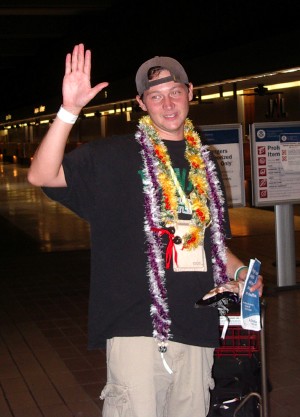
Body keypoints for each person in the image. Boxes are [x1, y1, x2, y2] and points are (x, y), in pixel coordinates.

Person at [27, 43, 263, 417]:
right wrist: (69, 110)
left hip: (197, 323)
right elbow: (42, 174)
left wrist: (238, 272)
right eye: (156, 96)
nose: (168, 105)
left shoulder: (206, 162)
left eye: (175, 93)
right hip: (135, 324)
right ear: (141, 103)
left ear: (190, 93)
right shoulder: (113, 155)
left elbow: (210, 243)